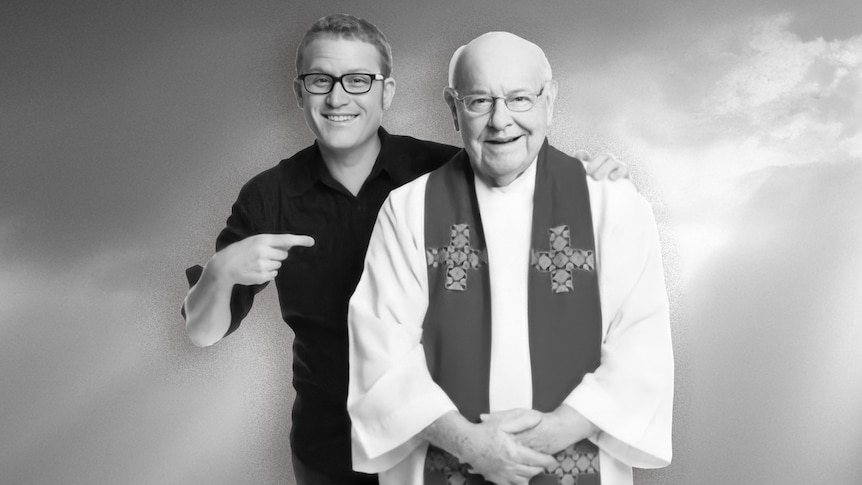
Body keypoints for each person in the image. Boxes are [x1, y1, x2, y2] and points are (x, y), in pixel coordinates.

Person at [182, 15, 629, 485]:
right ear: (300, 93)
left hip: (436, 444)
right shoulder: (268, 196)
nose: (338, 98)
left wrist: (590, 177)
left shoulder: (440, 172)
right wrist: (220, 272)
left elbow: (519, 166)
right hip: (330, 445)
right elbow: (202, 332)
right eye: (320, 81)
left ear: (387, 92)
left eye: (358, 81)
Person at [346, 31, 673, 485]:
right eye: (479, 100)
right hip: (441, 463)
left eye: (520, 99)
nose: (501, 121)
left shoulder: (612, 206)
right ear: (452, 107)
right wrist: (469, 444)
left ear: (550, 101)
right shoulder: (408, 210)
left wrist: (553, 433)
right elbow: (381, 354)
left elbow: (642, 348)